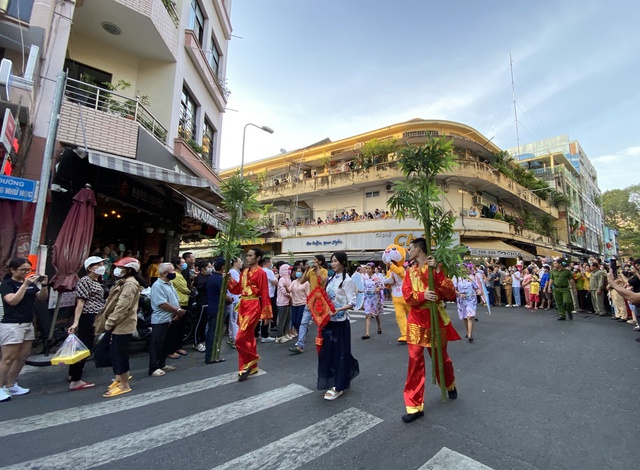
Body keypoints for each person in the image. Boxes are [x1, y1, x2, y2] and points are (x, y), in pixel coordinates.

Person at [401, 238, 459, 423]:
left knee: (441, 358)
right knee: (414, 361)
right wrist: (422, 295)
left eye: (410, 248)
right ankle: (414, 406)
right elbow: (407, 295)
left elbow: (450, 293)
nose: (408, 251)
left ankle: (449, 384)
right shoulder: (410, 271)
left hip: (435, 320)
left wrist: (437, 273)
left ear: (418, 249)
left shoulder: (436, 267)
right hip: (417, 321)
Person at [0, 258, 48, 402]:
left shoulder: (30, 284)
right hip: (12, 324)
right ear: (13, 270)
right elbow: (12, 301)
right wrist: (25, 285)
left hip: (28, 323)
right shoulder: (7, 284)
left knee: (23, 356)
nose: (26, 273)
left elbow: (41, 298)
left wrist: (44, 285)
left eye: (28, 270)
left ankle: (11, 384)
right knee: (8, 358)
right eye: (23, 270)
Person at [94, 257, 143, 398]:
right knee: (116, 353)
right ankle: (119, 379)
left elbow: (122, 307)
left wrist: (110, 322)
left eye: (121, 268)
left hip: (122, 324)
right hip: (119, 323)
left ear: (129, 270)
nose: (117, 270)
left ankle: (124, 385)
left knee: (120, 354)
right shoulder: (124, 282)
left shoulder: (129, 284)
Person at [318, 251, 359, 400]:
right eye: (332, 261)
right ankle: (334, 378)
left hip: (340, 323)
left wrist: (338, 310)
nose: (333, 264)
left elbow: (352, 302)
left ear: (342, 262)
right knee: (329, 352)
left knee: (340, 353)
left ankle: (339, 385)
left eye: (336, 261)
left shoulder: (346, 281)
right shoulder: (331, 278)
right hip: (328, 322)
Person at [227, 248, 273, 381]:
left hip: (253, 306)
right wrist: (229, 280)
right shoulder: (244, 271)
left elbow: (265, 293)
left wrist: (266, 314)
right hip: (242, 305)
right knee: (248, 337)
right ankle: (250, 367)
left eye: (250, 256)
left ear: (258, 258)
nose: (247, 258)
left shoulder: (261, 273)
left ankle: (250, 360)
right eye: (247, 256)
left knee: (240, 337)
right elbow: (237, 289)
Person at [67, 256, 108, 391]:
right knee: (85, 347)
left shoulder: (97, 280)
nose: (102, 266)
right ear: (90, 268)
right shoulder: (85, 281)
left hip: (96, 316)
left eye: (102, 264)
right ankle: (75, 380)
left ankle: (73, 374)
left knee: (85, 346)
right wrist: (75, 322)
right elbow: (80, 302)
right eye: (98, 264)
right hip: (88, 316)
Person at [148, 262, 186, 377]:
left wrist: (177, 311)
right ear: (164, 273)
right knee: (157, 344)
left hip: (171, 318)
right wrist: (177, 310)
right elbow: (162, 303)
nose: (174, 272)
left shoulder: (169, 284)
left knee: (166, 342)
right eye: (172, 270)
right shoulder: (157, 285)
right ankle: (153, 367)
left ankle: (162, 363)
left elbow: (174, 299)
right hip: (161, 319)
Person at [289, 255, 328, 354]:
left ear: (320, 262)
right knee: (303, 323)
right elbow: (302, 281)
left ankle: (324, 343)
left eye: (315, 260)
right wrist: (306, 270)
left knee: (321, 324)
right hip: (311, 300)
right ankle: (300, 345)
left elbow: (321, 281)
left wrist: (317, 269)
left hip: (320, 301)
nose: (313, 261)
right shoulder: (310, 271)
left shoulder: (324, 271)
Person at [204, 258, 228, 363]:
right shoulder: (218, 279)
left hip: (212, 307)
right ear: (223, 267)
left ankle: (212, 355)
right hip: (217, 308)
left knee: (212, 332)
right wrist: (230, 299)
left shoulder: (212, 277)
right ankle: (211, 356)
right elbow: (224, 294)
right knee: (214, 333)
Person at [168, 257, 191, 358]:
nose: (184, 264)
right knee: (175, 328)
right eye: (183, 262)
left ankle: (177, 346)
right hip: (179, 303)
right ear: (177, 265)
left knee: (180, 327)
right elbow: (184, 289)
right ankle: (171, 349)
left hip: (182, 302)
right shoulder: (176, 276)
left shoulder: (180, 274)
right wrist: (190, 291)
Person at [453, 268, 478, 342]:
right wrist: (460, 294)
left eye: (465, 268)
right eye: (462, 268)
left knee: (469, 317)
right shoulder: (456, 278)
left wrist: (479, 292)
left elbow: (476, 288)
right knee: (464, 317)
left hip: (471, 299)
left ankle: (470, 335)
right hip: (461, 300)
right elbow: (454, 289)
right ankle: (468, 331)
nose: (464, 270)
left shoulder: (471, 278)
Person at [192, 259, 211, 352]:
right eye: (209, 267)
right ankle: (196, 342)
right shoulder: (200, 278)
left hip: (207, 302)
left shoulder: (208, 276)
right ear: (203, 269)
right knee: (199, 323)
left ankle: (202, 340)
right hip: (202, 302)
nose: (210, 268)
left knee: (204, 323)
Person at [361, 263, 384, 339]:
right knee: (367, 315)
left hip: (375, 298)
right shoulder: (365, 278)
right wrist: (360, 292)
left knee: (376, 314)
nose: (367, 270)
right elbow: (363, 287)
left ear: (373, 269)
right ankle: (367, 333)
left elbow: (382, 286)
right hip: (367, 298)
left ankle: (379, 326)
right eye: (366, 268)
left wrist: (378, 288)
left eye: (369, 268)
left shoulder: (376, 278)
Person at [226, 257, 243, 348]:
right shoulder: (233, 272)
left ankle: (232, 337)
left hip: (235, 298)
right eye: (240, 262)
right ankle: (235, 339)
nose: (241, 263)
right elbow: (236, 286)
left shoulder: (235, 272)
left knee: (233, 319)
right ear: (235, 263)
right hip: (235, 298)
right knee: (234, 319)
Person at [275, 263, 294, 343]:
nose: (290, 271)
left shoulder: (288, 279)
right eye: (288, 269)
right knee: (282, 319)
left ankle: (285, 333)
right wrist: (290, 296)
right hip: (282, 302)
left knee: (287, 319)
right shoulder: (282, 279)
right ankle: (279, 336)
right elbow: (284, 292)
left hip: (287, 302)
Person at [290, 265, 309, 338]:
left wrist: (308, 304)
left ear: (303, 273)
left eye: (299, 271)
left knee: (299, 321)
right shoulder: (294, 282)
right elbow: (289, 290)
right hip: (294, 304)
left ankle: (301, 334)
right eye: (296, 271)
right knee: (294, 322)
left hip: (302, 304)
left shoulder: (306, 283)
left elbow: (308, 294)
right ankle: (302, 331)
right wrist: (285, 287)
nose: (297, 273)